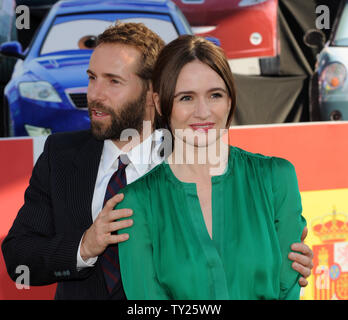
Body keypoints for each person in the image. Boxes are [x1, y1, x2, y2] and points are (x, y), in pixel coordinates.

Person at [2, 23, 312, 300]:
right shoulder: (61, 157)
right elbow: (19, 259)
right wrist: (85, 246)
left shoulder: (199, 151)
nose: (94, 94)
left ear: (154, 91)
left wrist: (276, 257)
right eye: (92, 78)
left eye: (113, 81)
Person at [116, 34, 308, 300]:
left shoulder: (277, 179)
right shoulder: (135, 203)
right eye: (186, 98)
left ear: (230, 100)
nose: (203, 112)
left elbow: (289, 286)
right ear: (160, 104)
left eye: (215, 95)